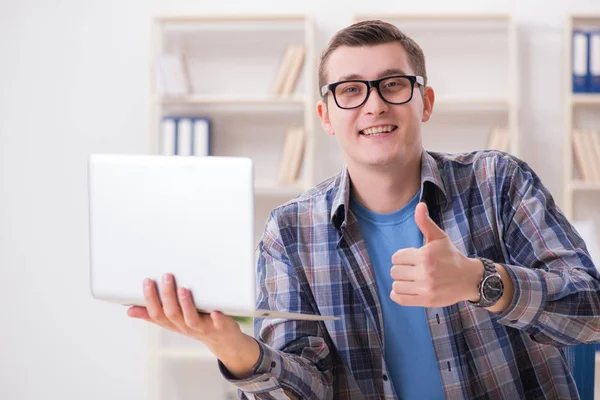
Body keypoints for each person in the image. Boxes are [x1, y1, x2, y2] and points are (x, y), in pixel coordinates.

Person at [127, 20, 600, 399]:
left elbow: (590, 312)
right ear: (326, 117)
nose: (373, 105)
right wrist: (231, 347)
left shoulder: (498, 182)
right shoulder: (290, 232)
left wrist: (479, 281)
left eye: (393, 84)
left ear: (425, 102)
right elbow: (306, 389)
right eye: (350, 90)